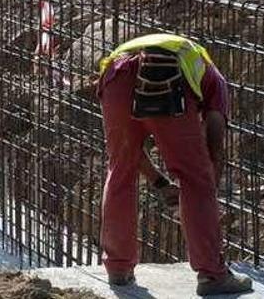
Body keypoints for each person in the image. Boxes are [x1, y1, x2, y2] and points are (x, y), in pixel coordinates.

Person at [96, 33, 253, 296]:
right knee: (196, 178)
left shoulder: (186, 56)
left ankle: (118, 269)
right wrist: (208, 185)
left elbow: (133, 153)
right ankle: (212, 275)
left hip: (115, 77)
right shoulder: (215, 79)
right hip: (168, 77)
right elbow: (215, 138)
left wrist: (159, 182)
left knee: (120, 170)